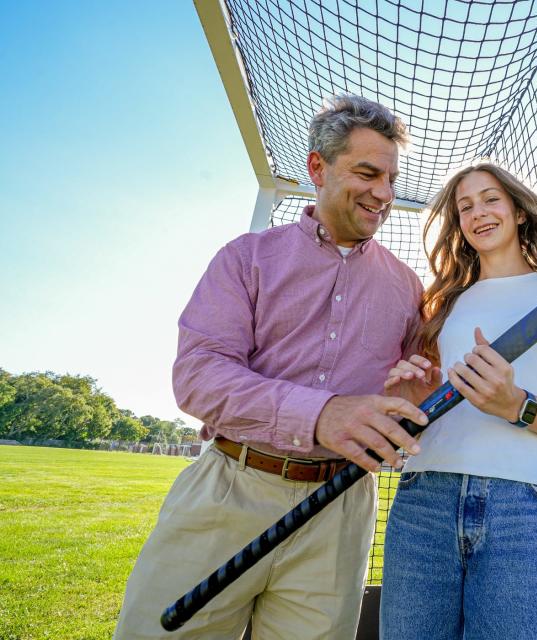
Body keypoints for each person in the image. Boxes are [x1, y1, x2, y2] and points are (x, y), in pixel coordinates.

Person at [114, 95, 428, 639]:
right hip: (230, 490)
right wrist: (320, 414)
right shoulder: (246, 257)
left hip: (341, 510)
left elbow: (412, 400)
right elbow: (198, 375)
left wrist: (419, 396)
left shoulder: (407, 287)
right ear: (317, 168)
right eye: (367, 172)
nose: (383, 193)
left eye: (391, 179)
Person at [379, 164, 537, 639]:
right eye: (464, 207)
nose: (477, 213)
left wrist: (516, 404)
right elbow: (425, 415)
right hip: (425, 501)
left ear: (518, 211)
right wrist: (410, 398)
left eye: (490, 199)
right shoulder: (441, 304)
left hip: (526, 511)